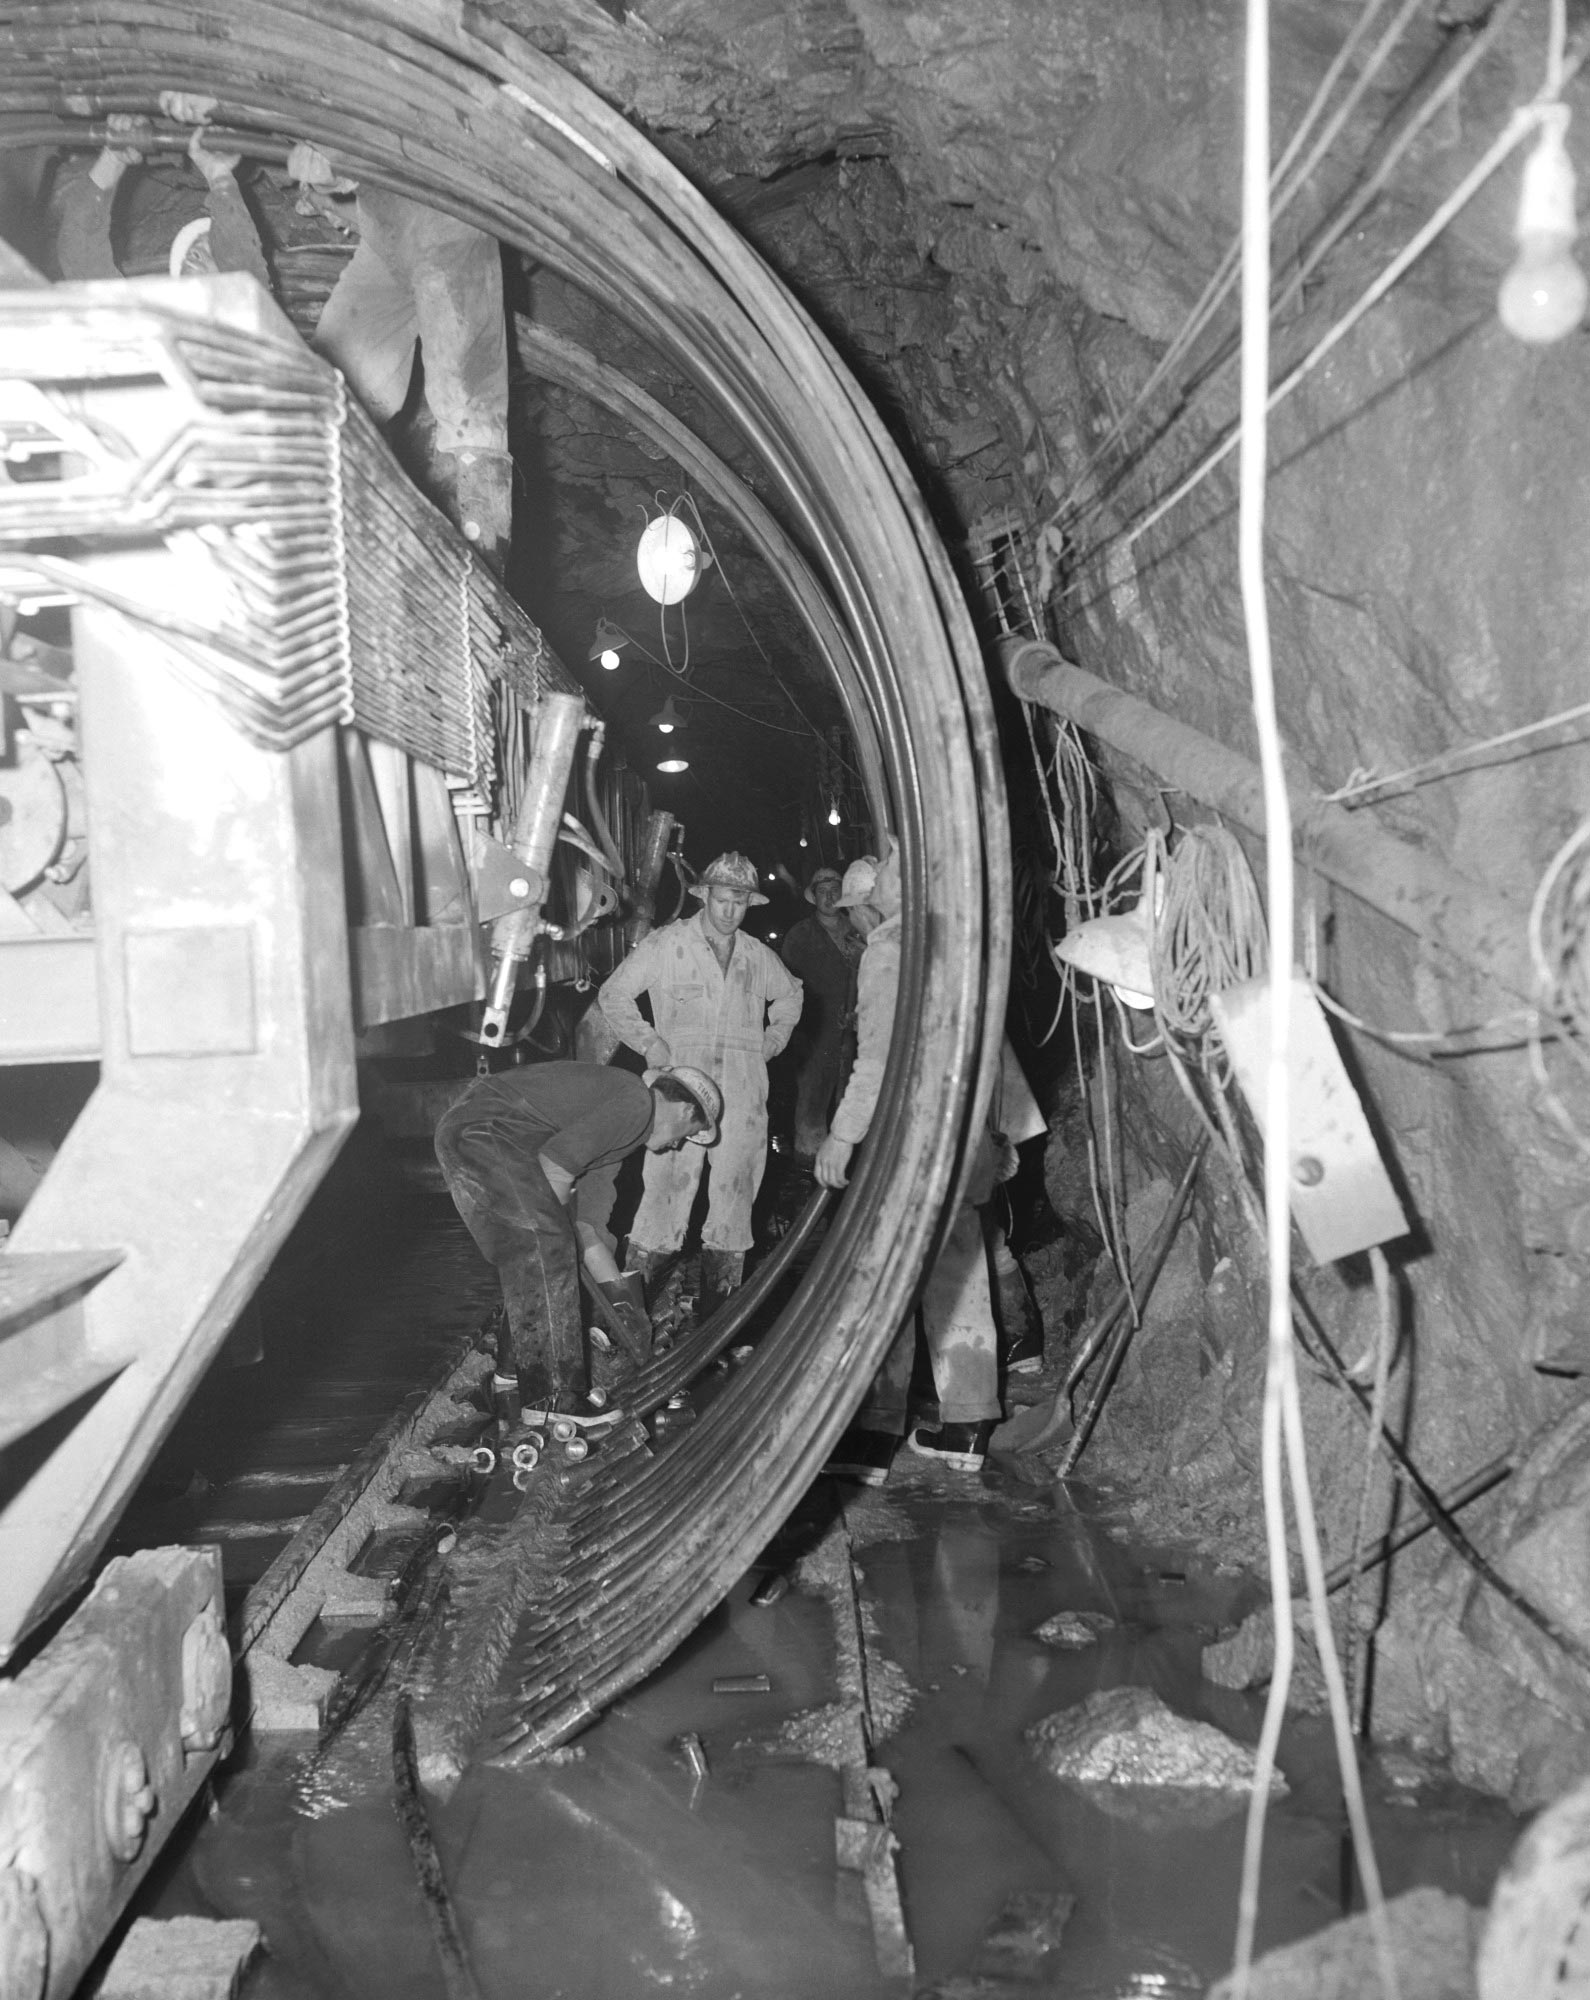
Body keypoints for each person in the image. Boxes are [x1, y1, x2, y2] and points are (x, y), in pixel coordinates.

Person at [816, 847, 1004, 1479]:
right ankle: (968, 1422)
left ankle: (873, 1436)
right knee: (957, 1269)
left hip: (916, 1136)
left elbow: (876, 1060)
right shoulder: (957, 944)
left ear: (872, 906)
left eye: (856, 915)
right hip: (966, 1129)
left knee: (883, 1274)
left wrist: (842, 1136)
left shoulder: (890, 951)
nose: (856, 928)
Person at [435, 1060, 721, 1426]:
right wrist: (558, 1234)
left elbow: (588, 1228)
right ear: (684, 1110)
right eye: (688, 1133)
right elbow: (555, 1166)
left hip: (483, 1134)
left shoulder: (620, 1136)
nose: (677, 1145)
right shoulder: (636, 1103)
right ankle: (553, 1398)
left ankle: (511, 1375)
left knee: (537, 1249)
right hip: (485, 1130)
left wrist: (627, 1309)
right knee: (546, 1242)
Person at [596, 851, 803, 1318]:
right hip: (679, 1095)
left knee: (735, 1203)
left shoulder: (756, 955)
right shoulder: (668, 945)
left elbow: (792, 995)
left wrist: (773, 1038)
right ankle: (629, 1322)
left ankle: (719, 1325)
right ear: (704, 894)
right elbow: (613, 994)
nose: (731, 912)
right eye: (723, 900)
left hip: (745, 1094)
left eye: (741, 903)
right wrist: (648, 1043)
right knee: (663, 1198)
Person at [310, 179, 512, 565]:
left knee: (467, 403)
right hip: (386, 239)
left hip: (447, 216)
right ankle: (337, 543)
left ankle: (483, 567)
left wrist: (336, 165)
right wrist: (337, 202)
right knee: (332, 387)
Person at [779, 865, 865, 1166]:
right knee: (811, 1110)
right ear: (813, 897)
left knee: (853, 1105)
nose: (829, 897)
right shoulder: (800, 936)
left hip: (856, 1034)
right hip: (815, 1036)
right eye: (822, 892)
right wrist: (797, 1034)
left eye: (835, 890)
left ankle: (847, 1174)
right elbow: (786, 990)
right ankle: (807, 1174)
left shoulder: (859, 928)